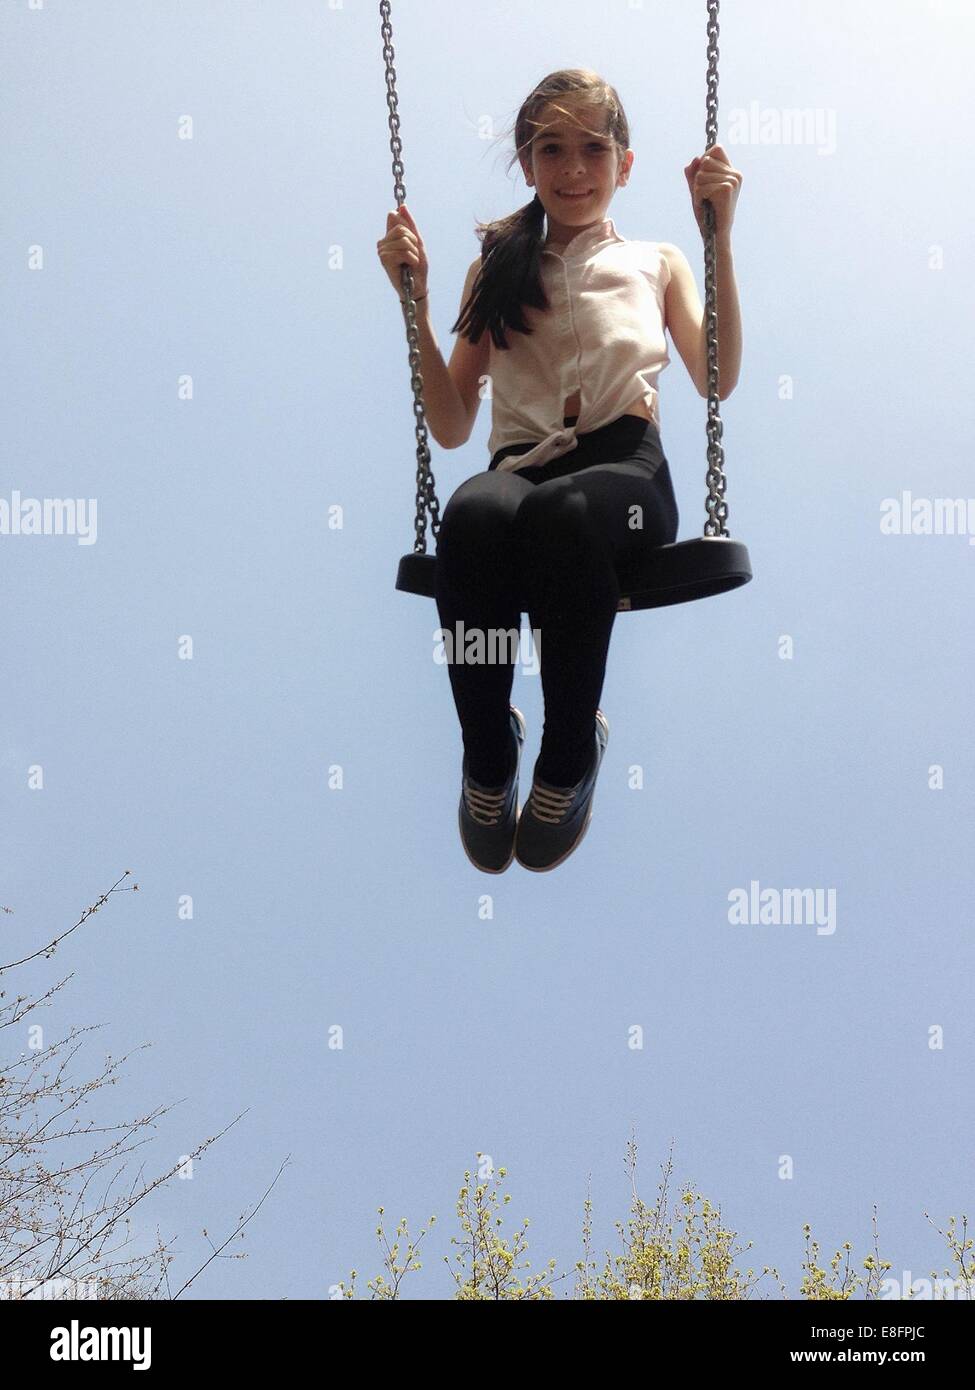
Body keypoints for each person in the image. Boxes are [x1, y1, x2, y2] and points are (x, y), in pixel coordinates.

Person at [376, 68, 743, 875]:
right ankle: (488, 756)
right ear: (527, 161)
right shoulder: (497, 270)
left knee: (562, 515)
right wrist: (416, 301)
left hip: (624, 479)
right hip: (517, 472)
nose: (573, 169)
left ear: (625, 163)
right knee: (472, 516)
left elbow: (713, 377)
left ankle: (567, 759)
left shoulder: (657, 259)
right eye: (551, 150)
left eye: (592, 149)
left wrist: (716, 237)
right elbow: (451, 422)